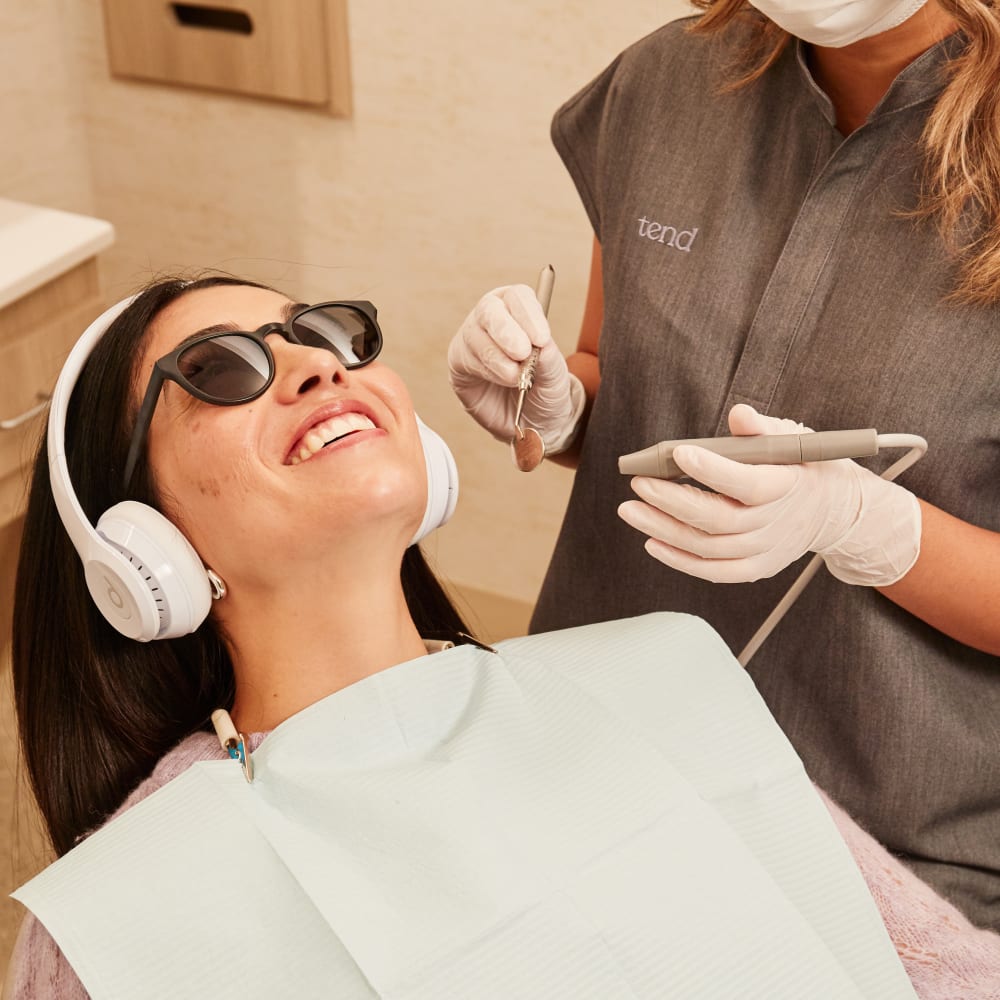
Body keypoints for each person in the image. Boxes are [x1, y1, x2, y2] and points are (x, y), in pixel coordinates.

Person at [6, 276, 1000, 999]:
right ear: (141, 547)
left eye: (320, 330)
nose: (314, 362)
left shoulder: (656, 681)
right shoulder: (130, 905)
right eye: (220, 369)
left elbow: (948, 972)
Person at [446, 0, 1000, 934]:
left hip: (888, 837)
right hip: (592, 755)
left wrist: (873, 528)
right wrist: (561, 404)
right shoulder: (667, 84)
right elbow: (611, 375)